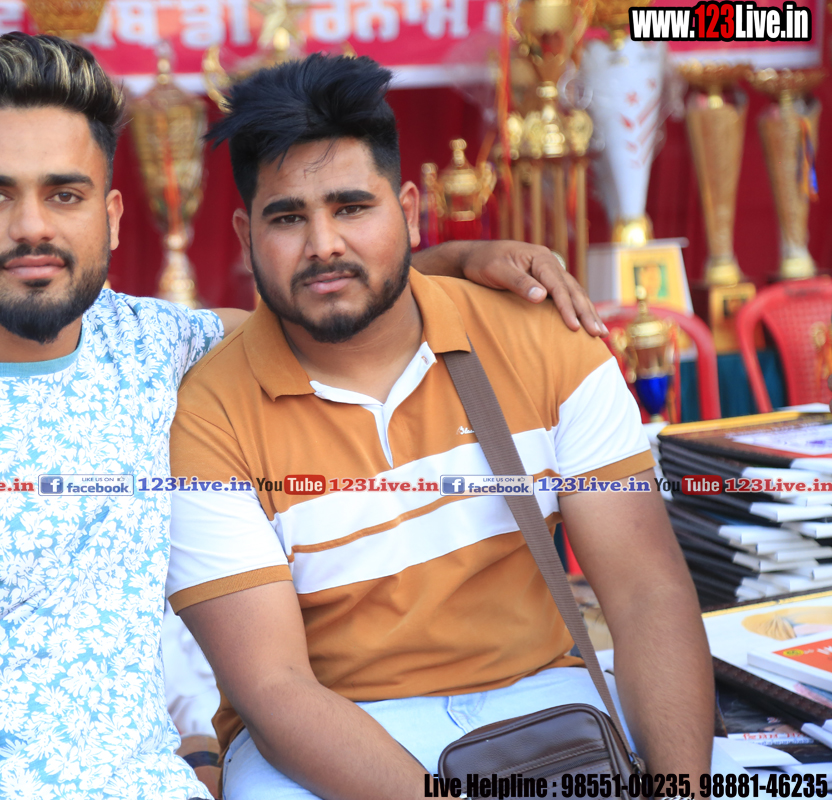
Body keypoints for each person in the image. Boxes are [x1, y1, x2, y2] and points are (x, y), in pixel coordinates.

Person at [0, 33, 604, 800]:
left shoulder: (147, 345)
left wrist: (461, 258)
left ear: (113, 216)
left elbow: (327, 301)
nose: (32, 226)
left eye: (63, 194)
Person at [166, 54, 719, 800]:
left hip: (543, 700)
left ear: (409, 210)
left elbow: (646, 590)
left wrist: (681, 791)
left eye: (351, 208)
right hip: (328, 739)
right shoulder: (207, 415)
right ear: (244, 234)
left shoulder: (545, 338)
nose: (323, 243)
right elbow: (275, 688)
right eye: (288, 218)